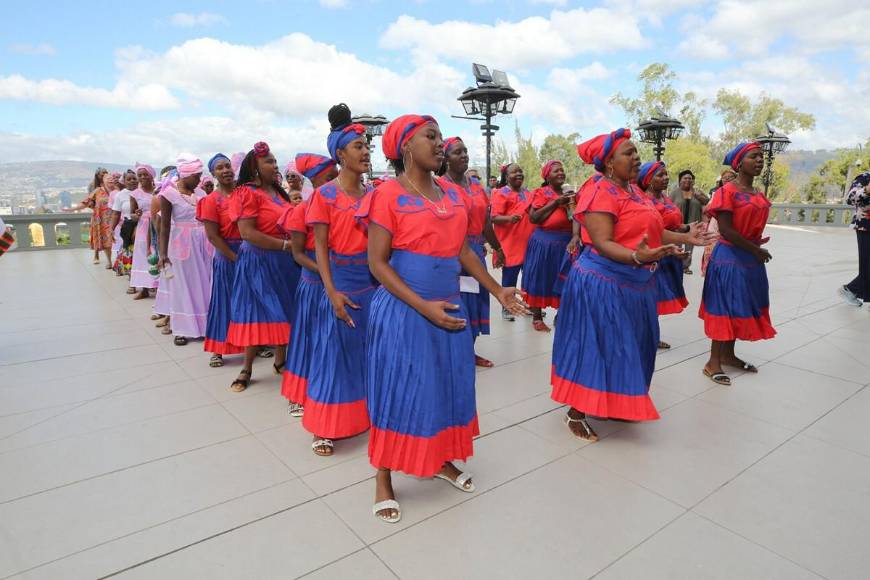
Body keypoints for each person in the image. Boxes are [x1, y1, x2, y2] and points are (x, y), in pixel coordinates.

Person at [359, 114, 527, 524]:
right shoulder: (387, 195)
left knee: (446, 387)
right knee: (399, 389)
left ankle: (439, 459)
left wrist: (497, 290)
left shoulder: (451, 194)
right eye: (430, 137)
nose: (440, 144)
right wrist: (422, 306)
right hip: (405, 311)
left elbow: (465, 252)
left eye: (440, 137)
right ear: (405, 147)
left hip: (448, 307)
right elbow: (378, 265)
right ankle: (384, 477)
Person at [551, 129, 711, 441]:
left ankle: (613, 401)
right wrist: (638, 256)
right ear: (609, 162)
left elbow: (652, 230)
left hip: (635, 285)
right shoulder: (599, 193)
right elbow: (603, 242)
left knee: (631, 346)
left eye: (636, 152)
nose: (636, 157)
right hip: (601, 284)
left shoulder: (635, 192)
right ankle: (575, 411)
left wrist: (684, 237)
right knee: (596, 346)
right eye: (629, 153)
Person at [301, 104, 376, 457]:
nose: (365, 152)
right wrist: (331, 291)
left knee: (368, 352)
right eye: (358, 147)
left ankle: (367, 414)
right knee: (335, 354)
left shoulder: (373, 195)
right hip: (341, 283)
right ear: (340, 154)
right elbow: (319, 249)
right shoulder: (325, 195)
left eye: (366, 146)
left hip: (374, 284)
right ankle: (324, 426)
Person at [701, 142, 776, 386]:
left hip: (749, 257)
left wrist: (754, 251)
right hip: (730, 257)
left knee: (740, 305)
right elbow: (726, 230)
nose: (759, 161)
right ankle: (713, 362)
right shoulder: (727, 191)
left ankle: (728, 354)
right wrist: (756, 250)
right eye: (754, 157)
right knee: (724, 307)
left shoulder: (758, 194)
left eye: (761, 157)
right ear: (739, 162)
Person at [225, 142, 297, 392]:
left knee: (284, 308)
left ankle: (280, 359)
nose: (275, 166)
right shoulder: (246, 193)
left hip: (283, 261)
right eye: (270, 162)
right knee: (254, 312)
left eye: (276, 161)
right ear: (255, 167)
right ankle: (247, 368)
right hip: (258, 261)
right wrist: (287, 246)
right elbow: (247, 233)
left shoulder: (279, 193)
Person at [438, 136, 504, 367]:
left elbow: (486, 223)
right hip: (453, 253)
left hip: (475, 251)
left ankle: (469, 351)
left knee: (475, 302)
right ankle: (456, 354)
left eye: (465, 151)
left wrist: (497, 247)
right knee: (459, 303)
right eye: (457, 152)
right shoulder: (440, 187)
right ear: (445, 158)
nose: (464, 155)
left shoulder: (476, 186)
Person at [157, 158, 213, 347]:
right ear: (186, 175)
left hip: (203, 242)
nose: (199, 180)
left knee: (204, 282)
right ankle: (181, 328)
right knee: (183, 284)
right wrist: (162, 253)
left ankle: (205, 326)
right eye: (196, 176)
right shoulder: (168, 194)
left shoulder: (200, 192)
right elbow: (164, 226)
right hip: (181, 243)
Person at [279, 168, 320, 418]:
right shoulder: (301, 210)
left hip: (345, 282)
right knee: (307, 340)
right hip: (314, 284)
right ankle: (299, 393)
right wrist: (327, 274)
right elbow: (298, 254)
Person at [198, 153, 245, 367]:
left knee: (248, 300)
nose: (225, 170)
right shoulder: (210, 201)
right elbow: (213, 236)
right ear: (213, 174)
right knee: (224, 301)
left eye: (227, 166)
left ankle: (253, 342)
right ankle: (218, 348)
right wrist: (235, 258)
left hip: (248, 251)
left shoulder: (244, 194)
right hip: (227, 255)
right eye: (220, 168)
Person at [638, 161, 689, 349]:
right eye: (660, 175)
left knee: (657, 300)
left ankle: (652, 335)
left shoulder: (665, 199)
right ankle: (644, 336)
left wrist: (689, 228)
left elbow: (675, 223)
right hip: (654, 254)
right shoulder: (644, 201)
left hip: (671, 255)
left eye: (666, 174)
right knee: (649, 299)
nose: (666, 178)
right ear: (648, 180)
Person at [524, 160, 578, 332]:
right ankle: (537, 317)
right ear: (547, 176)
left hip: (565, 243)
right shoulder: (541, 193)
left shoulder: (570, 194)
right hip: (544, 243)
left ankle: (561, 315)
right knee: (540, 278)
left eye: (562, 170)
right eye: (556, 171)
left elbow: (576, 217)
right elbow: (534, 218)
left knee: (564, 278)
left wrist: (571, 202)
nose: (561, 173)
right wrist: (555, 203)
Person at [491, 163, 536, 321]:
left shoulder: (527, 192)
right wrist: (509, 218)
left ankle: (529, 305)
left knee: (529, 277)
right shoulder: (501, 193)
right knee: (510, 277)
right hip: (510, 244)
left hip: (529, 243)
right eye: (513, 172)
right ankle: (507, 307)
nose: (518, 174)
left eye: (520, 170)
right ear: (506, 177)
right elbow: (494, 217)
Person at [68, 168, 113, 266]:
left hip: (111, 216)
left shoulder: (112, 184)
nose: (103, 176)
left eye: (105, 174)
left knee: (109, 238)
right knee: (100, 236)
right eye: (102, 174)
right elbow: (89, 201)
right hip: (100, 215)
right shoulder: (94, 186)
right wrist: (73, 209)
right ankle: (98, 255)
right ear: (97, 176)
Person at [669, 169, 709, 274]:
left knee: (689, 247)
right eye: (685, 178)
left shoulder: (697, 192)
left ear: (693, 181)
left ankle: (685, 266)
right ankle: (676, 265)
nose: (687, 180)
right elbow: (667, 206)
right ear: (680, 181)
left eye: (690, 178)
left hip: (693, 225)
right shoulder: (674, 193)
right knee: (677, 244)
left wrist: (699, 196)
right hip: (678, 225)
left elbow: (708, 203)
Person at [840, 170, 870, 306]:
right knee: (868, 266)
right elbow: (851, 198)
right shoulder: (864, 177)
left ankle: (851, 289)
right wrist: (867, 189)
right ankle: (850, 289)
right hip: (866, 227)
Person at [129, 164, 158, 299]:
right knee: (143, 256)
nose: (142, 177)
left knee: (157, 253)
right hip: (143, 227)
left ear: (151, 175)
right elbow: (132, 215)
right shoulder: (135, 194)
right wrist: (137, 214)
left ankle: (158, 286)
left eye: (145, 174)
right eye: (139, 175)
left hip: (157, 224)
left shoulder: (159, 190)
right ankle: (144, 288)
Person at [701, 169, 737, 277]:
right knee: (711, 252)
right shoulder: (717, 193)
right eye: (724, 178)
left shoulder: (739, 193)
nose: (727, 179)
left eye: (730, 177)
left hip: (731, 227)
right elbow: (706, 210)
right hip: (715, 225)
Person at [110, 170, 137, 280]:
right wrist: (111, 229)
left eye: (134, 178)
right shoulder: (120, 195)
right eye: (129, 179)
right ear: (124, 182)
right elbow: (116, 214)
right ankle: (132, 280)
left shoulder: (144, 192)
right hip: (128, 228)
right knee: (130, 253)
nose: (132, 181)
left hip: (144, 227)